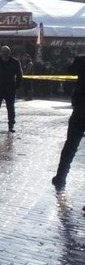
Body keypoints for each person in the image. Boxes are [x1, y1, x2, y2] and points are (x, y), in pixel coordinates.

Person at [51, 56, 85, 189]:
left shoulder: (81, 60)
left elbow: (70, 70)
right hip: (80, 108)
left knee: (70, 146)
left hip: (81, 108)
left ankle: (61, 177)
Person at [0, 45, 23, 132]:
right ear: (0, 52)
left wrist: (17, 86)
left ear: (9, 52)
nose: (5, 54)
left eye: (6, 52)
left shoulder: (15, 62)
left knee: (10, 108)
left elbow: (19, 75)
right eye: (3, 52)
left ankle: (11, 126)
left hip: (10, 88)